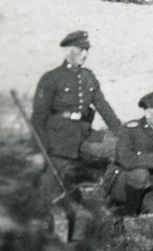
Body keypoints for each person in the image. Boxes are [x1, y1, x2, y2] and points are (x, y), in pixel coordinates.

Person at [32, 30, 121, 203]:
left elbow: (103, 107)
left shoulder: (88, 77)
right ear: (67, 51)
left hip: (84, 133)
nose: (85, 54)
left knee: (122, 148)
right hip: (59, 138)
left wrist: (122, 133)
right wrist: (39, 150)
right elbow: (38, 118)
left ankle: (104, 194)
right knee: (50, 187)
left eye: (87, 50)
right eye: (81, 50)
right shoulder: (51, 78)